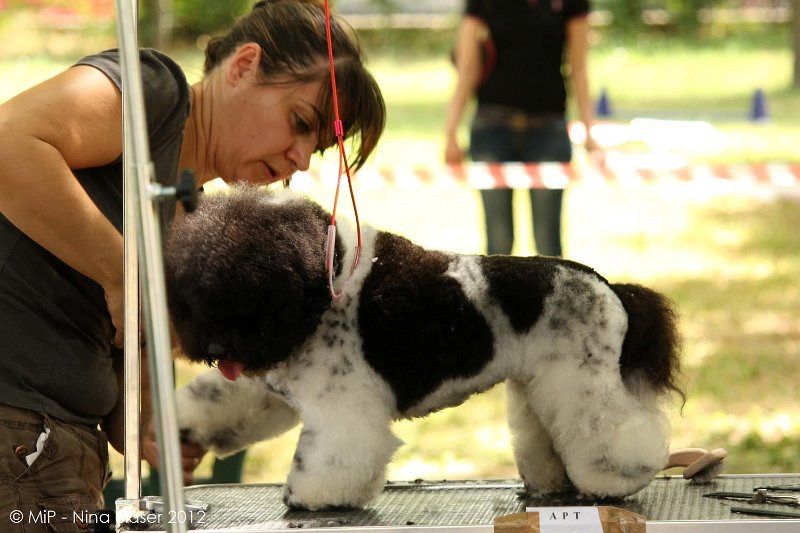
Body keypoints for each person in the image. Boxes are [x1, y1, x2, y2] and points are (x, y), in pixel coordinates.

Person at [0, 0, 385, 528]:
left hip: (53, 447)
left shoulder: (185, 208)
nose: (298, 158)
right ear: (244, 66)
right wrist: (127, 275)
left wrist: (139, 423)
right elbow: (8, 144)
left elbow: (112, 325)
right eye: (299, 122)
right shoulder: (153, 90)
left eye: (313, 148)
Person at [444, 0, 601, 257]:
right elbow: (468, 66)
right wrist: (450, 132)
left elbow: (579, 67)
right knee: (498, 244)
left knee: (548, 245)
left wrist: (589, 133)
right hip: (492, 129)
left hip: (548, 129)